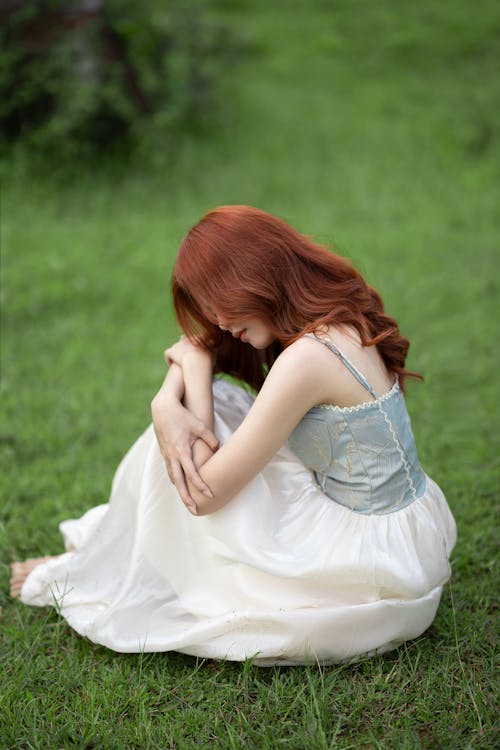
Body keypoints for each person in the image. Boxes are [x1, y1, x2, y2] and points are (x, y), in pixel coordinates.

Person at [11, 206, 456, 665]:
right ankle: (117, 555)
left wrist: (194, 377)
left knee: (191, 446)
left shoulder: (307, 359)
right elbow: (192, 347)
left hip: (368, 574)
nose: (219, 321)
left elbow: (203, 495)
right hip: (405, 544)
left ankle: (108, 567)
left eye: (219, 301)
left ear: (255, 276)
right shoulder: (334, 320)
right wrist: (166, 404)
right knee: (210, 408)